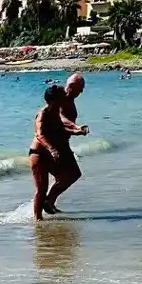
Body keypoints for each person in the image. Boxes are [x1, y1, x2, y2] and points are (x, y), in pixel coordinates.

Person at [44, 72, 89, 215]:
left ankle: (50, 203)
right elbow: (60, 117)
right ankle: (48, 201)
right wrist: (75, 127)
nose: (82, 91)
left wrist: (75, 130)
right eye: (80, 88)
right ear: (71, 86)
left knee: (61, 176)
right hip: (56, 143)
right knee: (74, 174)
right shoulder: (62, 98)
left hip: (63, 141)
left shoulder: (69, 98)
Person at [29, 86, 67, 222]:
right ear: (54, 99)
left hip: (50, 154)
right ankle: (37, 220)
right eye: (62, 96)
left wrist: (76, 130)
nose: (65, 97)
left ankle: (49, 203)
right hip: (38, 154)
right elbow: (40, 135)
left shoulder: (56, 111)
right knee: (41, 188)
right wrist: (51, 149)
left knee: (66, 176)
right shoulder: (42, 113)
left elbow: (60, 128)